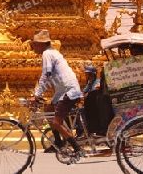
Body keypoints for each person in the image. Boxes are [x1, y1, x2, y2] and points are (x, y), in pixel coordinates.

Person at [30, 29, 85, 157]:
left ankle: (77, 148)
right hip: (62, 91)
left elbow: (46, 75)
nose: (33, 48)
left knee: (56, 123)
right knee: (48, 110)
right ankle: (59, 144)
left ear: (42, 44)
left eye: (35, 45)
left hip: (68, 91)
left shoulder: (47, 54)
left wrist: (36, 95)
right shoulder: (51, 52)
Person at [75, 65, 100, 139]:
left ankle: (83, 130)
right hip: (90, 105)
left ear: (92, 74)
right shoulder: (90, 82)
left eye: (87, 74)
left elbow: (92, 94)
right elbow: (84, 91)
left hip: (94, 106)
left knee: (81, 110)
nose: (85, 75)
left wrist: (84, 96)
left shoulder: (97, 83)